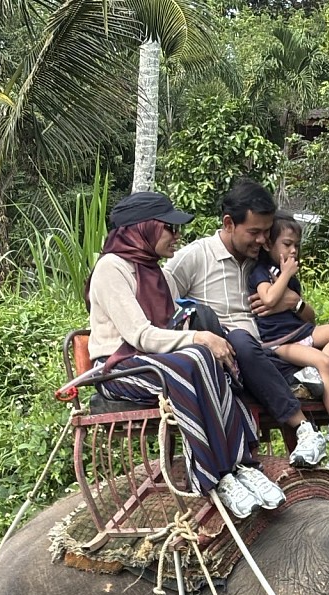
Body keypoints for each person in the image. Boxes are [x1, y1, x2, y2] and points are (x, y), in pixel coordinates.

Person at [161, 180, 329, 505]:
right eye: (254, 232)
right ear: (229, 223)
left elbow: (303, 316)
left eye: (267, 232)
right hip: (243, 362)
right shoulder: (195, 258)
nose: (262, 239)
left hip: (285, 355)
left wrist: (293, 304)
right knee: (240, 339)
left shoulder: (266, 258)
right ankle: (302, 428)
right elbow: (159, 305)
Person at [86, 189, 285, 520]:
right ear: (144, 229)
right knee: (193, 359)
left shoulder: (154, 271)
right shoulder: (112, 267)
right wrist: (199, 336)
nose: (177, 236)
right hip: (118, 368)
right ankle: (214, 476)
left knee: (210, 360)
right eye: (170, 228)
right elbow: (140, 335)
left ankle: (242, 464)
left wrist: (204, 333)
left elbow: (169, 325)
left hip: (152, 362)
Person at [248, 212, 329, 447]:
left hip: (302, 333)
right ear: (268, 244)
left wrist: (294, 300)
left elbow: (308, 314)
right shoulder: (262, 270)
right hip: (281, 343)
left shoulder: (290, 278)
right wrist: (286, 274)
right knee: (324, 363)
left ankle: (314, 372)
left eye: (296, 246)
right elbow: (267, 298)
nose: (293, 251)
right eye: (287, 244)